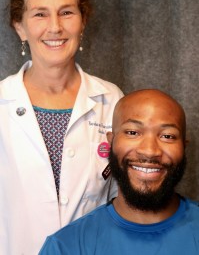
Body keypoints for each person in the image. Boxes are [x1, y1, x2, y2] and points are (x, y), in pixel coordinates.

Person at [0, 0, 123, 255]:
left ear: (82, 21)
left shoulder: (112, 100)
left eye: (66, 12)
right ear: (20, 26)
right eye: (40, 14)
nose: (55, 26)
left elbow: (124, 201)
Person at [39, 89, 199, 254]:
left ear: (184, 147)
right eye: (132, 133)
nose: (150, 151)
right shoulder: (65, 247)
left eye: (167, 136)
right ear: (111, 142)